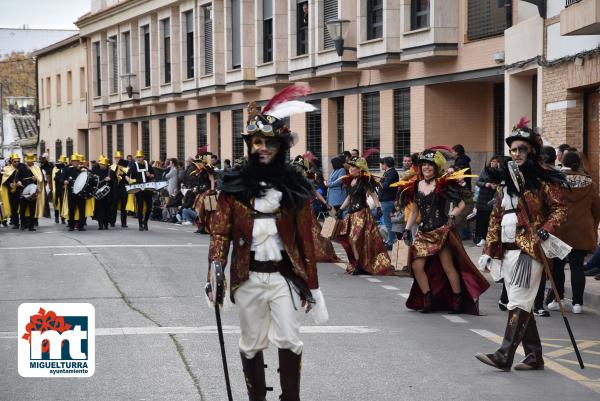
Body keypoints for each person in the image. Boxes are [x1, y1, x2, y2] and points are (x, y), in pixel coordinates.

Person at [206, 87, 326, 401]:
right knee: (251, 342)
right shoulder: (233, 186)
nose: (262, 148)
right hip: (247, 277)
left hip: (284, 276)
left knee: (290, 338)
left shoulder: (296, 187)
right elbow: (220, 232)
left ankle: (290, 398)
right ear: (249, 145)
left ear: (279, 146)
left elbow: (306, 241)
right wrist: (215, 271)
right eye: (257, 142)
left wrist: (313, 288)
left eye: (269, 142)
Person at [476, 117, 567, 372]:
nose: (516, 154)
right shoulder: (504, 182)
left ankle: (504, 355)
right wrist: (488, 251)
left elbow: (559, 210)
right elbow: (495, 217)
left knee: (517, 300)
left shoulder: (545, 180)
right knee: (523, 302)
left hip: (531, 249)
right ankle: (535, 356)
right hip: (506, 251)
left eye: (522, 149)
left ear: (532, 151)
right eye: (513, 150)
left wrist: (546, 230)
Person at [399, 150, 488, 313]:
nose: (426, 167)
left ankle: (457, 299)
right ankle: (427, 298)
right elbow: (414, 212)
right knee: (416, 265)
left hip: (441, 231)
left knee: (448, 267)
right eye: (423, 165)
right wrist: (406, 229)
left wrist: (452, 216)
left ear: (436, 167)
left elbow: (462, 204)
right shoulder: (415, 186)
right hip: (423, 232)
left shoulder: (443, 185)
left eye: (430, 165)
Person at [549, 152, 600, 314]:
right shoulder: (590, 183)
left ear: (562, 162)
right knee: (577, 266)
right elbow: (597, 209)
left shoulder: (556, 181)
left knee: (558, 265)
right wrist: (593, 227)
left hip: (560, 229)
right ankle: (578, 304)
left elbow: (549, 205)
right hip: (582, 229)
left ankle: (559, 300)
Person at [335, 157, 392, 275]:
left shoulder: (364, 181)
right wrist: (340, 209)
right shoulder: (351, 181)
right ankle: (357, 264)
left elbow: (373, 195)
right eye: (350, 167)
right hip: (351, 214)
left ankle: (361, 264)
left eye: (353, 167)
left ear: (360, 169)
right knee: (348, 238)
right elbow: (349, 197)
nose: (350, 169)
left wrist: (378, 207)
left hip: (362, 213)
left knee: (355, 239)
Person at [474, 156, 502, 246]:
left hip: (494, 198)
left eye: (495, 162)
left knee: (492, 219)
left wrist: (496, 186)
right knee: (482, 219)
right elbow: (478, 182)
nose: (493, 163)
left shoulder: (501, 172)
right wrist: (486, 184)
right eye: (492, 161)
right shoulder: (485, 170)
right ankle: (481, 238)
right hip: (483, 198)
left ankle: (491, 238)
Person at [128, 150, 155, 231]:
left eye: (140, 157)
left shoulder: (148, 165)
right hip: (139, 190)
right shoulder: (134, 165)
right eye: (137, 157)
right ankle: (140, 224)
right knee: (139, 207)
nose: (139, 159)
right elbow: (127, 175)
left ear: (143, 157)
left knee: (149, 207)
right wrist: (131, 181)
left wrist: (150, 175)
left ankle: (145, 222)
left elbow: (153, 175)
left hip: (148, 189)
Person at [60, 154, 88, 231]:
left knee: (82, 209)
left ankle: (81, 226)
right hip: (72, 192)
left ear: (79, 162)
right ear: (71, 162)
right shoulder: (67, 169)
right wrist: (64, 181)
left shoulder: (83, 169)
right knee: (71, 209)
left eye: (77, 161)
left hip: (82, 192)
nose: (75, 162)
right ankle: (71, 225)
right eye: (74, 161)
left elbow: (88, 177)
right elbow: (61, 178)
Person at [16, 154, 43, 231]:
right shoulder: (21, 168)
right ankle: (23, 225)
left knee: (32, 209)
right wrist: (18, 182)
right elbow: (17, 178)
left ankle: (31, 226)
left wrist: (36, 179)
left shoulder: (36, 169)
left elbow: (40, 180)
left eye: (31, 161)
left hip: (32, 192)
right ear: (26, 161)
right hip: (23, 190)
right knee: (22, 210)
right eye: (28, 161)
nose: (30, 163)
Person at [379, 157, 399, 250]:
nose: (381, 165)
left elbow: (385, 185)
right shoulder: (388, 172)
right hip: (386, 200)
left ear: (386, 164)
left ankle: (391, 242)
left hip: (388, 200)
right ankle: (389, 240)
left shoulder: (392, 172)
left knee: (388, 222)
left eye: (382, 163)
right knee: (388, 222)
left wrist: (378, 182)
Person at [94, 156, 116, 230]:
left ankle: (106, 224)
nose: (101, 165)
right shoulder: (97, 171)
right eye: (100, 164)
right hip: (99, 193)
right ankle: (100, 224)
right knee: (100, 209)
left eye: (102, 164)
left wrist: (110, 179)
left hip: (108, 194)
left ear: (106, 165)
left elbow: (115, 182)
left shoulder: (110, 172)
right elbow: (94, 181)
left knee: (107, 209)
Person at [1, 154, 22, 229]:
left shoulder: (22, 168)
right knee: (14, 208)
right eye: (15, 161)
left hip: (21, 190)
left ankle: (24, 223)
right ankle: (16, 223)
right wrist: (9, 184)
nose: (17, 163)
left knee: (23, 207)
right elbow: (4, 180)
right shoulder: (7, 169)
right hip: (12, 192)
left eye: (18, 161)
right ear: (11, 161)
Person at [110, 151, 129, 228]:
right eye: (116, 158)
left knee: (124, 207)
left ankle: (123, 223)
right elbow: (111, 177)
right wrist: (116, 174)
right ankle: (112, 221)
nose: (117, 159)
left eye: (119, 158)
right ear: (115, 159)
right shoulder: (113, 166)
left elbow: (128, 176)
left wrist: (123, 174)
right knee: (114, 205)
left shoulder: (125, 167)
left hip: (123, 187)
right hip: (115, 188)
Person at [51, 155, 68, 224]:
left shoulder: (66, 169)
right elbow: (55, 178)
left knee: (62, 203)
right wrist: (61, 177)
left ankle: (63, 218)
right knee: (56, 203)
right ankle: (56, 217)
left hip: (63, 189)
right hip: (57, 188)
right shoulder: (56, 169)